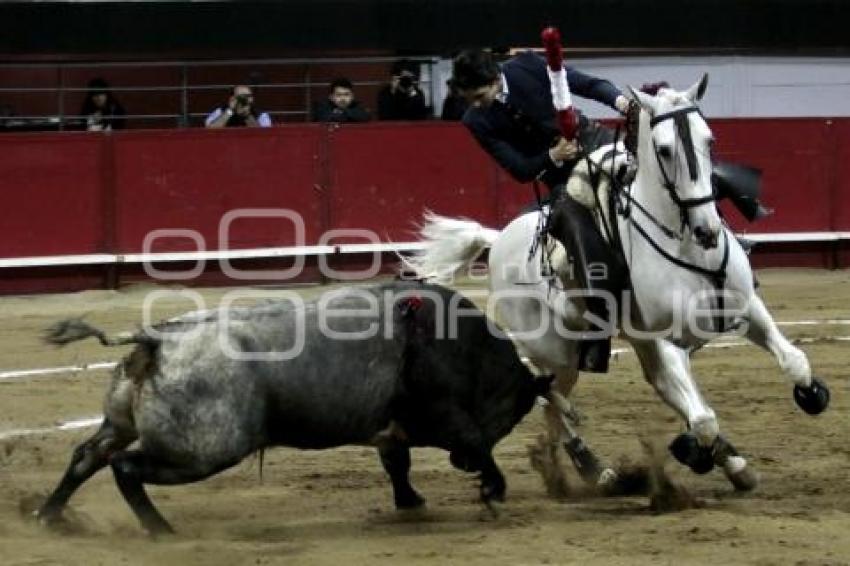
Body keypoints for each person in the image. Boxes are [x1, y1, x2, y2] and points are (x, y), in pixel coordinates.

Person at [452, 48, 634, 373]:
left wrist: (621, 103)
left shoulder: (528, 66)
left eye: (479, 95)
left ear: (495, 79)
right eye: (470, 99)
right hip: (562, 179)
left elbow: (587, 85)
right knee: (574, 237)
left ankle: (721, 237)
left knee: (668, 170)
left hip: (595, 143)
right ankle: (597, 327)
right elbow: (519, 168)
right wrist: (552, 157)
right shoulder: (475, 120)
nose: (476, 105)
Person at [205, 85, 272, 128]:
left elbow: (262, 135)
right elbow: (210, 131)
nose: (244, 100)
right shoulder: (221, 111)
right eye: (240, 97)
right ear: (232, 99)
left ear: (252, 99)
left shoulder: (261, 114)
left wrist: (247, 115)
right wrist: (229, 111)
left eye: (248, 96)